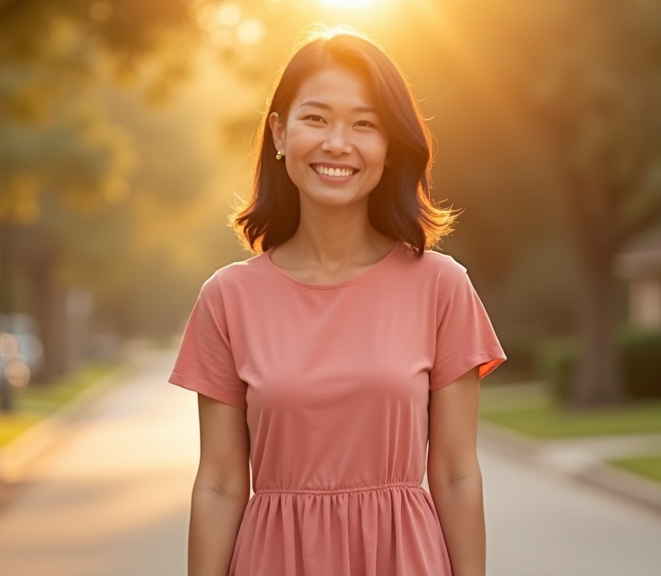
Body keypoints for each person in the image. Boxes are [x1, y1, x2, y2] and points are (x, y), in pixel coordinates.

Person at [170, 26, 505, 576]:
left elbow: (455, 473)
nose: (337, 143)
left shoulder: (441, 287)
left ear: (390, 146)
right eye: (316, 118)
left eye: (365, 124)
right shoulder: (227, 298)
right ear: (279, 133)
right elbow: (221, 483)